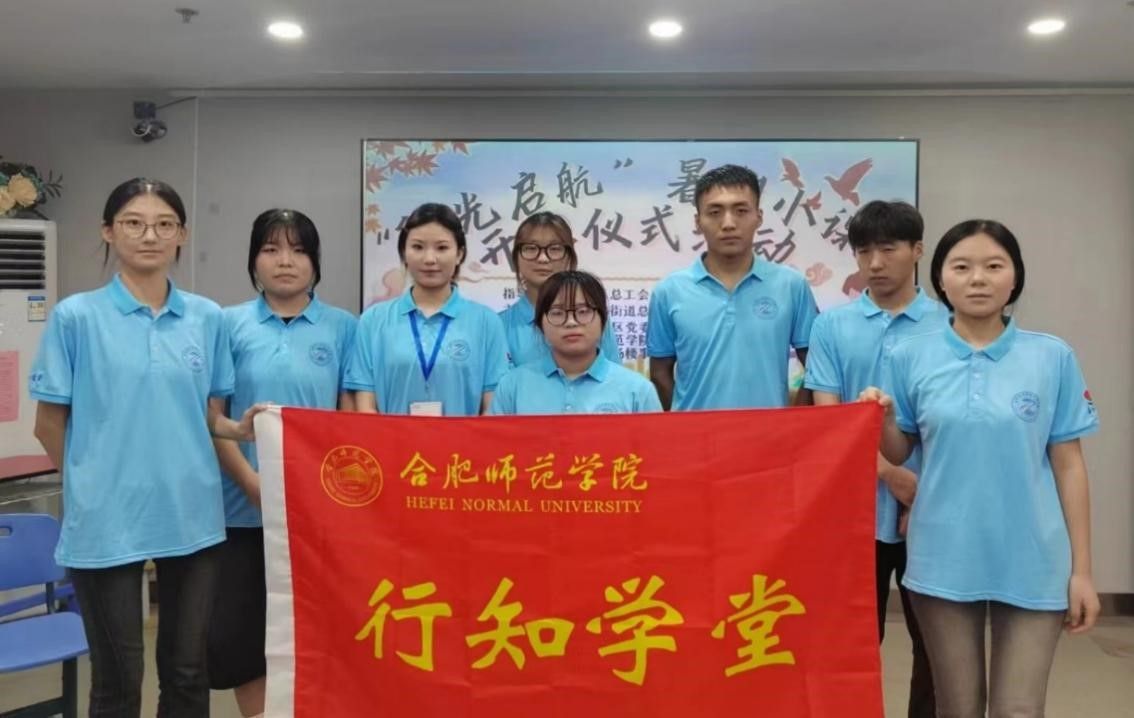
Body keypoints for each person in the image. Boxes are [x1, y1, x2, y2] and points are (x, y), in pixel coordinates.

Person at [29, 178, 260, 717]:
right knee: (118, 680)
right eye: (133, 223)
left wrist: (237, 430)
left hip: (191, 514)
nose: (150, 235)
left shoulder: (206, 317)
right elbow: (48, 424)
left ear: (182, 234)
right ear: (108, 232)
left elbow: (204, 414)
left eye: (164, 224)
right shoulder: (76, 317)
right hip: (106, 519)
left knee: (188, 672)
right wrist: (90, 485)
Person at [861, 220, 1100, 717]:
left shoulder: (1051, 356)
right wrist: (882, 418)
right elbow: (899, 450)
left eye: (994, 266)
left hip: (1034, 558)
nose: (977, 279)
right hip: (942, 556)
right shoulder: (911, 355)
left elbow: (1070, 467)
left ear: (1014, 278)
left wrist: (1082, 571)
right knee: (958, 707)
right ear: (940, 279)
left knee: (1019, 709)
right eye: (961, 267)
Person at [207, 209, 356, 718]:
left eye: (298, 250)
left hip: (320, 514)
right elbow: (215, 417)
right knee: (242, 635)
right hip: (240, 511)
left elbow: (348, 418)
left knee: (319, 629)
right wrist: (252, 484)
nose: (285, 261)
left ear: (316, 262)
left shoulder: (343, 327)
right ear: (254, 260)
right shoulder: (227, 324)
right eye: (271, 250)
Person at [803, 200, 942, 717]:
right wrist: (890, 475)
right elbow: (829, 422)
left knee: (936, 645)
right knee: (851, 642)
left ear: (917, 250)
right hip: (852, 512)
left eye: (888, 249)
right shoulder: (832, 327)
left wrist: (916, 486)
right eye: (864, 252)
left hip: (932, 506)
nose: (875, 263)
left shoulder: (948, 325)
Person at [646, 164, 818, 410]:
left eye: (741, 211)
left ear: (759, 217)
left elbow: (816, 366)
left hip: (770, 432)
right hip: (696, 433)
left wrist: (795, 422)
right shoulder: (669, 291)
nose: (728, 223)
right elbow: (659, 373)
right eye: (715, 212)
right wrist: (683, 423)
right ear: (698, 221)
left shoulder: (791, 285)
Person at [345, 202, 508, 416]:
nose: (430, 259)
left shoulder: (486, 322)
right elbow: (365, 407)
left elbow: (492, 408)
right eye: (418, 247)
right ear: (403, 253)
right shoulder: (373, 320)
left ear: (459, 254)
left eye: (442, 248)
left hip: (463, 439)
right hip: (391, 439)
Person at [490, 270, 661, 415]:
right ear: (540, 324)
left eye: (583, 311)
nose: (571, 322)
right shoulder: (512, 386)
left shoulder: (638, 390)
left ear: (603, 320)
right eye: (557, 313)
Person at [498, 211, 618, 367]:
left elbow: (615, 377)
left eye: (554, 249)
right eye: (531, 248)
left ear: (569, 256)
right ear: (516, 258)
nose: (542, 258)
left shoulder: (594, 320)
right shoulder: (497, 326)